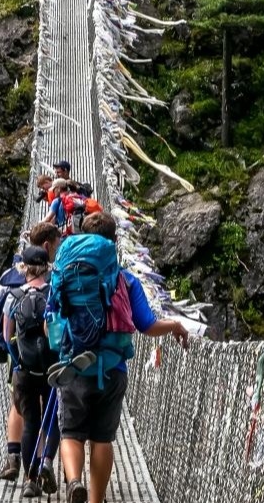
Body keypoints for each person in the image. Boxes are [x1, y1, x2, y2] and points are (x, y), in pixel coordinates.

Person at [51, 212, 190, 503]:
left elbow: (49, 319)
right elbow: (147, 325)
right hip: (112, 369)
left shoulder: (66, 271)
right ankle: (95, 500)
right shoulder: (127, 280)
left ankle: (75, 481)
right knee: (102, 438)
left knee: (71, 434)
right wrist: (176, 325)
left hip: (74, 367)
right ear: (115, 242)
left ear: (81, 235)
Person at [4, 244, 61, 497]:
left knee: (30, 424)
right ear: (47, 267)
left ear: (23, 268)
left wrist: (17, 361)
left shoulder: (13, 296)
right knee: (53, 420)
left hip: (25, 371)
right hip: (53, 370)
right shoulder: (54, 295)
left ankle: (30, 479)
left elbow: (7, 336)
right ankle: (47, 461)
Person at [0, 254, 29, 481]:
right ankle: (34, 470)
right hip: (43, 356)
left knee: (17, 403)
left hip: (17, 352)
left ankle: (13, 457)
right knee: (40, 408)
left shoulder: (7, 276)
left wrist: (5, 345)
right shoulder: (52, 277)